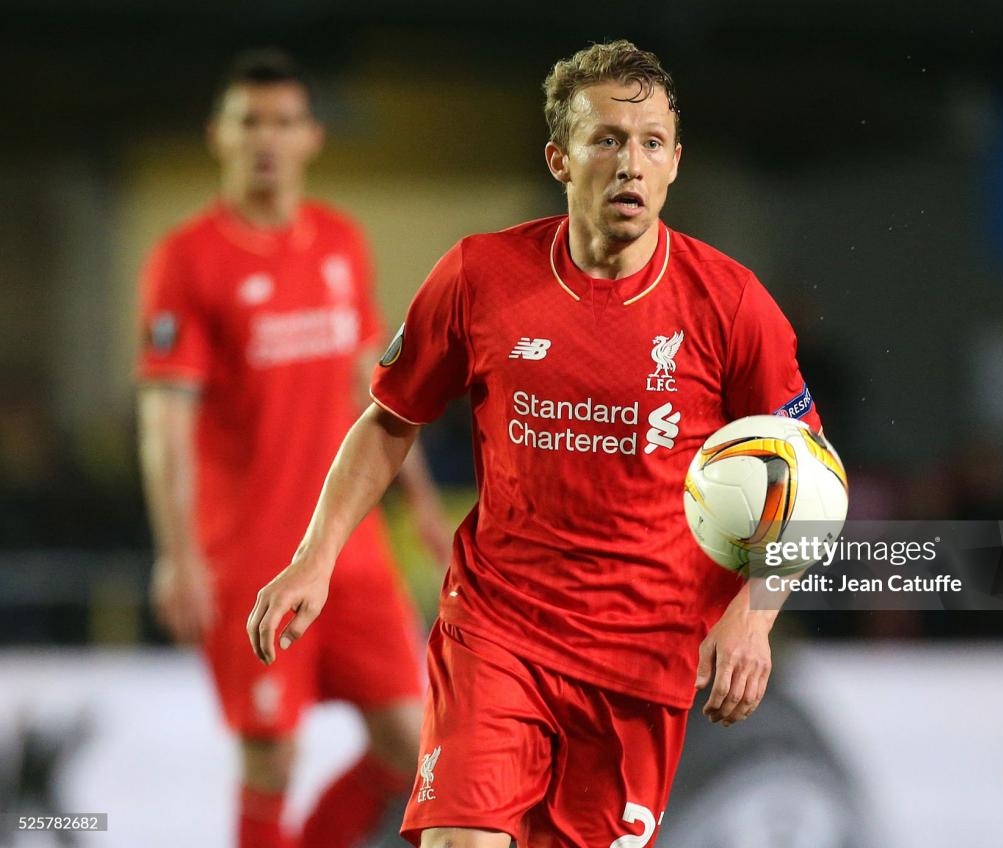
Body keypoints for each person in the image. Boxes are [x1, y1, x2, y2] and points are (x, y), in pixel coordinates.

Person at [247, 40, 823, 848]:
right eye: (608, 140)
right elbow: (389, 419)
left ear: (675, 163)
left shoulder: (729, 304)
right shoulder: (482, 276)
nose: (631, 163)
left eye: (652, 143)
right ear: (560, 157)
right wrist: (316, 554)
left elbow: (807, 474)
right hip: (498, 630)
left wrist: (753, 617)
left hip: (643, 660)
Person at [136, 49, 450, 848]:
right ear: (219, 135)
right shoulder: (188, 259)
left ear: (312, 136)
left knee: (413, 747)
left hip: (351, 547)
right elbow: (165, 422)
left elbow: (379, 394)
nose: (266, 140)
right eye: (249, 123)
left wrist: (421, 509)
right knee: (271, 755)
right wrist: (176, 554)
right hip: (249, 552)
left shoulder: (341, 243)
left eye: (283, 122)